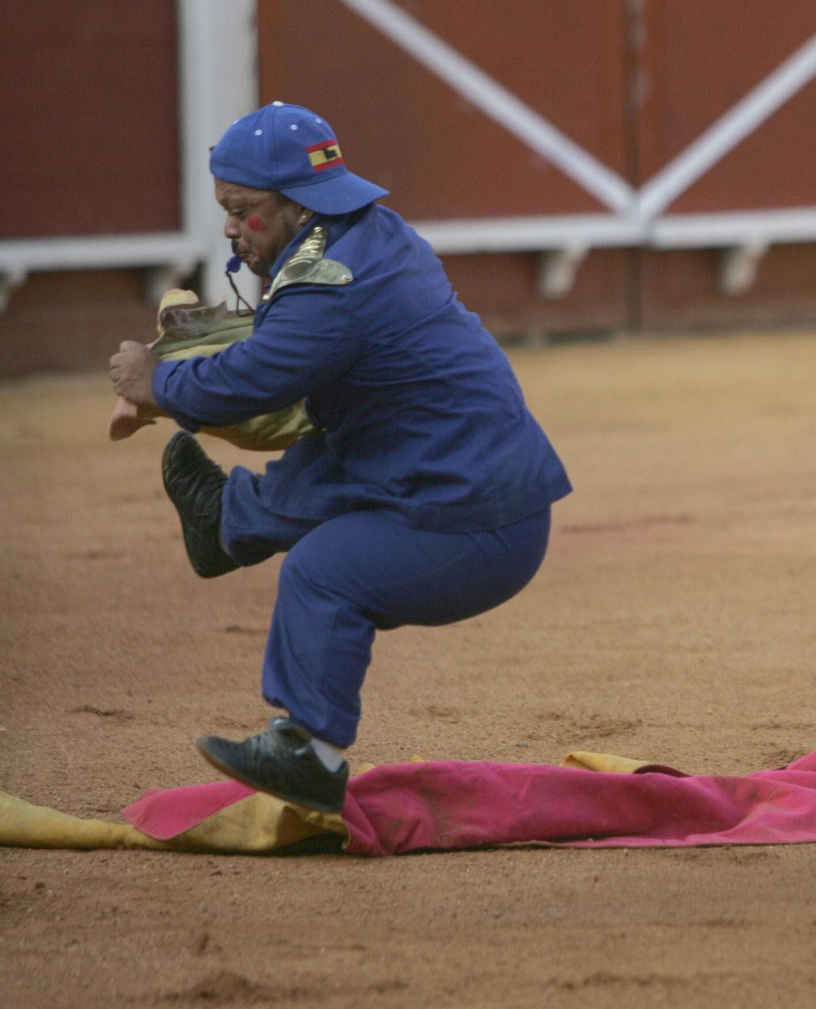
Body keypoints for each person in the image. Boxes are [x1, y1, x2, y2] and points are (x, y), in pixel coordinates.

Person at [107, 102, 571, 813]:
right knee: (334, 454)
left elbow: (254, 380)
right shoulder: (370, 234)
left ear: (297, 204)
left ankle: (310, 754)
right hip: (456, 470)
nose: (231, 227)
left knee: (325, 570)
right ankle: (225, 521)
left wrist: (157, 379)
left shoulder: (330, 288)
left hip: (482, 520)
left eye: (242, 209)